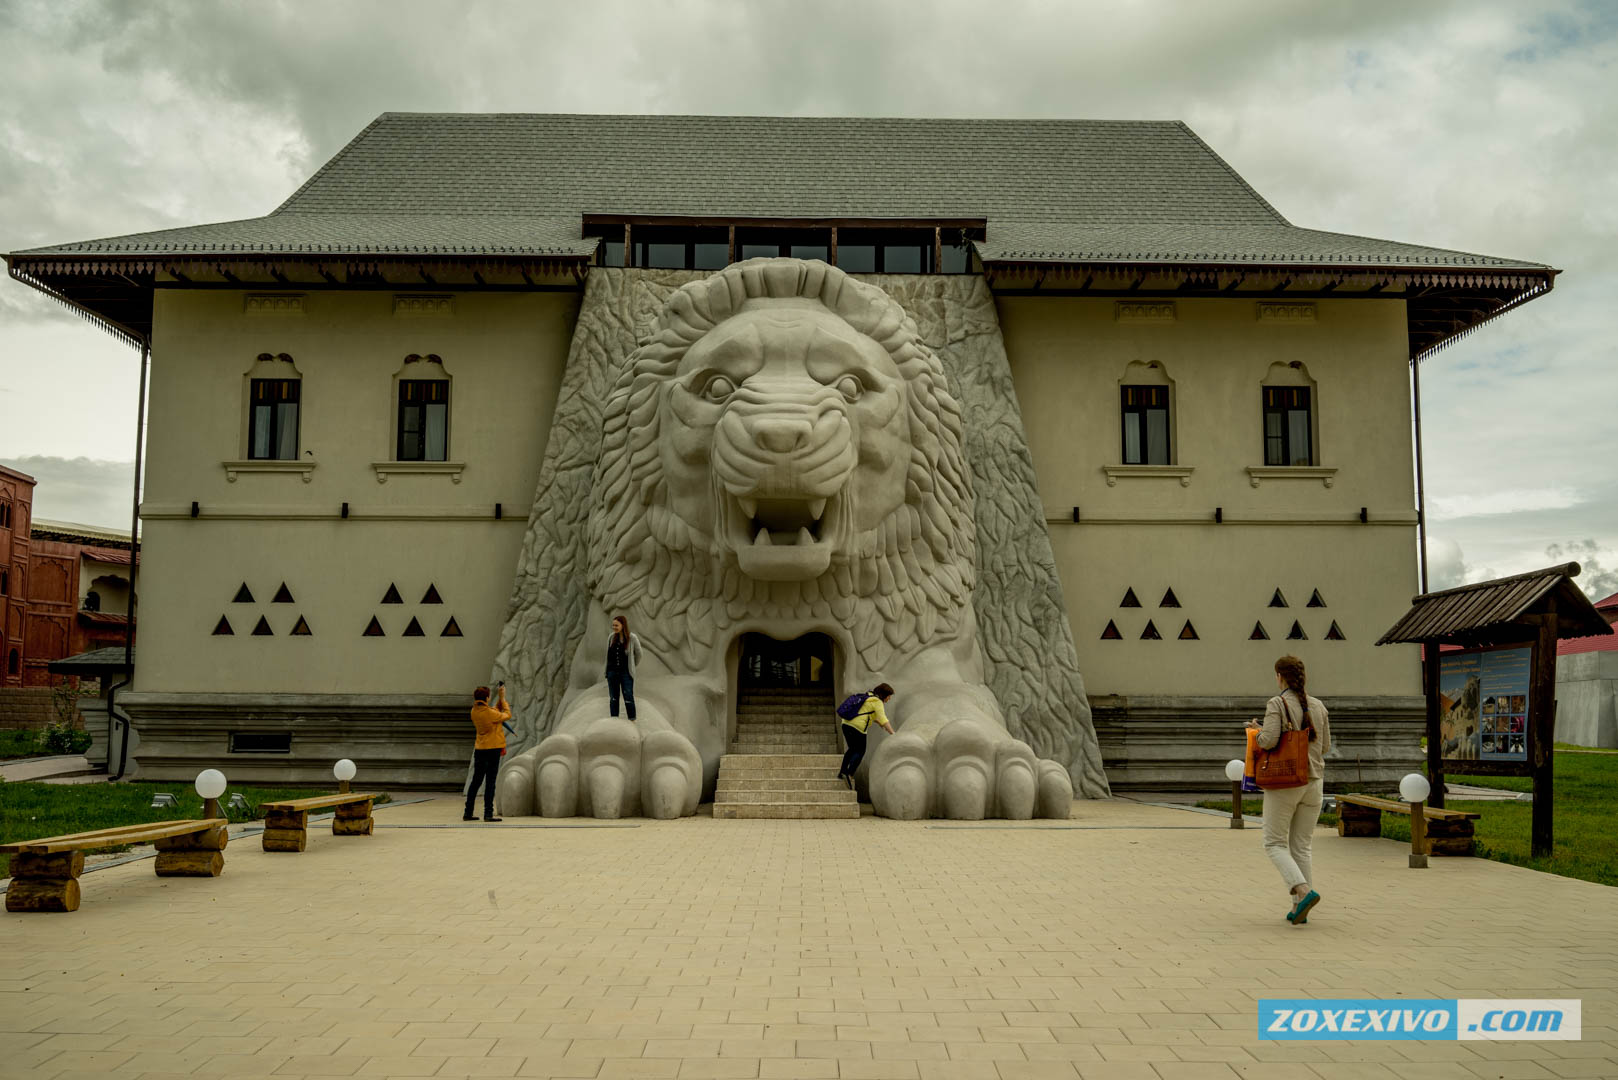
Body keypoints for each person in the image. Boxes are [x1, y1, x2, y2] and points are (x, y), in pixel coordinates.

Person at [1245, 655, 1331, 925]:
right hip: (1315, 783)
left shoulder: (1277, 703)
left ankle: (1303, 891)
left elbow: (1269, 741)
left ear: (1280, 677)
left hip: (1285, 784)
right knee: (1301, 847)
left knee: (1274, 843)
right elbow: (1325, 746)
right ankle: (1299, 908)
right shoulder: (1318, 706)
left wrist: (1256, 732)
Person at [466, 682, 511, 822]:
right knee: (490, 782)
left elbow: (494, 712)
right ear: (486, 698)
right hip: (493, 750)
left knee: (476, 782)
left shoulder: (474, 712)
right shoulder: (489, 713)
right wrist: (503, 699)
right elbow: (506, 715)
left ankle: (468, 812)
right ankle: (488, 813)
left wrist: (499, 696)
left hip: (480, 750)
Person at [837, 683, 896, 789]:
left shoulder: (869, 696)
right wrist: (893, 733)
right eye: (889, 696)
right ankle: (849, 773)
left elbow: (866, 713)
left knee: (852, 749)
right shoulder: (878, 702)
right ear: (884, 695)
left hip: (846, 724)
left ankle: (842, 772)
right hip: (858, 728)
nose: (890, 698)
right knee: (860, 751)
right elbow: (884, 719)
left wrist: (878, 723)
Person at [606, 615, 642, 720]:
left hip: (626, 673)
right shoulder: (611, 637)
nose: (614, 627)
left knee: (628, 697)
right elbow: (607, 655)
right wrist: (607, 672)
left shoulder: (632, 638)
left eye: (616, 625)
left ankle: (632, 720)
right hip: (612, 673)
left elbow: (639, 654)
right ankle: (614, 721)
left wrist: (632, 665)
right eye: (613, 625)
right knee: (613, 698)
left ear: (623, 625)